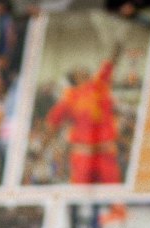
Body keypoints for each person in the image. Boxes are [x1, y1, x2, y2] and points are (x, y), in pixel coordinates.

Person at [43, 44, 123, 184]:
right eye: (78, 72)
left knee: (114, 196)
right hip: (83, 153)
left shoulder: (99, 85)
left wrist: (117, 45)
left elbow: (111, 63)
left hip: (105, 151)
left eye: (84, 71)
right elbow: (52, 123)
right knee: (79, 196)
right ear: (74, 78)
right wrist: (43, 146)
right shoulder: (69, 97)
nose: (83, 72)